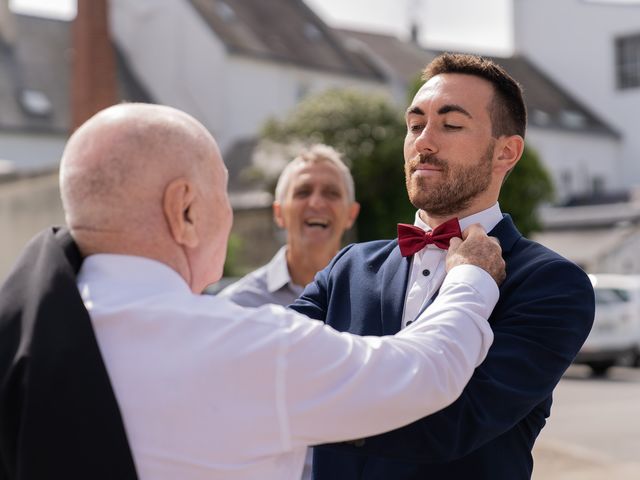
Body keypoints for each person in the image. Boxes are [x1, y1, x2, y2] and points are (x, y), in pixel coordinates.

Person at [0, 103, 507, 480]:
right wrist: (470, 276)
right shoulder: (248, 346)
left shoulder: (21, 339)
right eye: (221, 191)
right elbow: (424, 372)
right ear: (186, 210)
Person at [290, 53, 595, 479]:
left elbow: (450, 427)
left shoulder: (552, 284)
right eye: (415, 125)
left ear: (506, 152)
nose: (423, 142)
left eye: (450, 125)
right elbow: (270, 366)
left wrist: (308, 403)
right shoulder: (349, 266)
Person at [220, 144, 359, 479]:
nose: (316, 202)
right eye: (303, 192)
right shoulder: (236, 308)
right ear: (279, 213)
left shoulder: (381, 300)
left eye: (330, 192)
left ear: (350, 213)